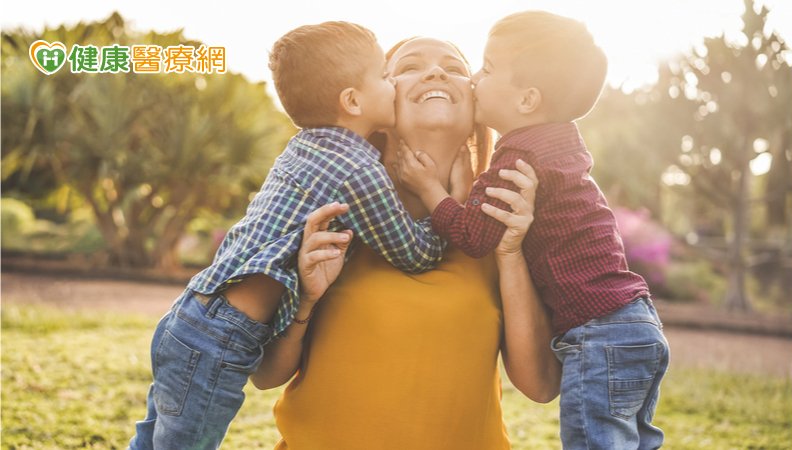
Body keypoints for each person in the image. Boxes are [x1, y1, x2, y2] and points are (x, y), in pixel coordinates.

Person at [129, 21, 447, 450]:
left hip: (190, 316)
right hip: (222, 336)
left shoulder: (305, 144)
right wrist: (445, 197)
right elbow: (417, 254)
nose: (393, 85)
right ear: (352, 101)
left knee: (150, 442)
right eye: (385, 77)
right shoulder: (359, 170)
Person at [260, 36, 561, 450]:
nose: (436, 72)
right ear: (371, 101)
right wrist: (306, 300)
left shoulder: (505, 220)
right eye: (409, 67)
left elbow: (540, 386)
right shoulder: (331, 209)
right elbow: (265, 375)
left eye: (455, 68)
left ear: (477, 107)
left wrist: (509, 252)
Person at [396, 10, 670, 449]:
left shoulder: (518, 156)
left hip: (597, 330)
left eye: (483, 69)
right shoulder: (562, 141)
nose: (472, 80)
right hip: (636, 322)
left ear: (526, 100)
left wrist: (432, 190)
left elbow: (473, 236)